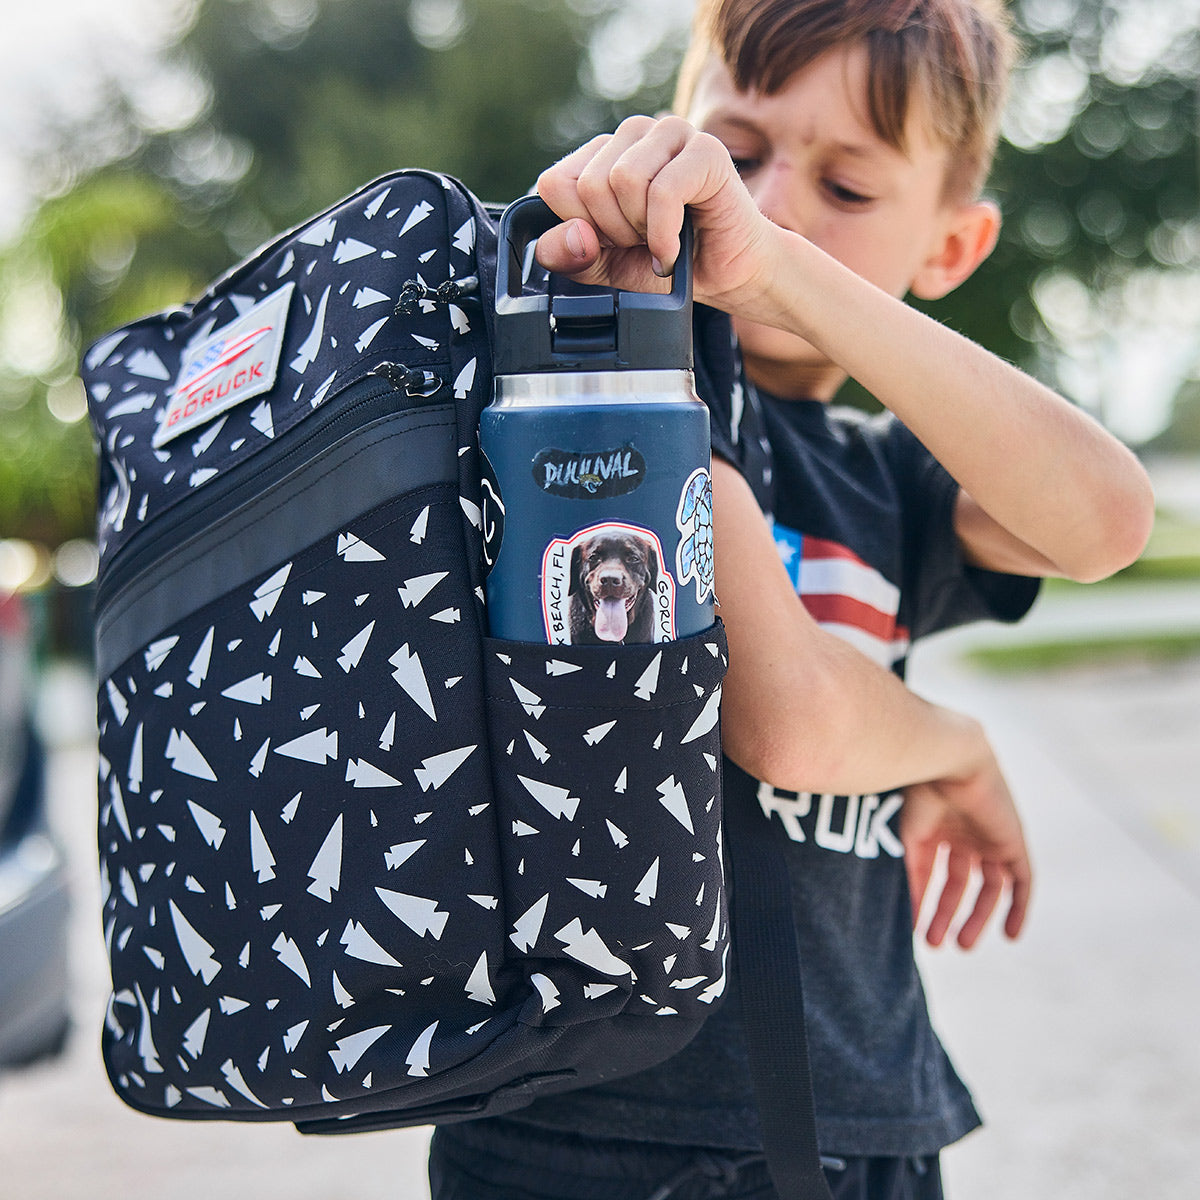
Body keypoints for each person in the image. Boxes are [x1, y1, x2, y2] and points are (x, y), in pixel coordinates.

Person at [428, 1, 1155, 1197]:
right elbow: (794, 720)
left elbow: (1103, 521)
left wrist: (799, 284)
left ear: (951, 249)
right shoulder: (630, 393)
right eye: (740, 150)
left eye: (850, 190)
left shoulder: (891, 474)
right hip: (606, 1135)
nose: (768, 207)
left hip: (862, 1112)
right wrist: (954, 748)